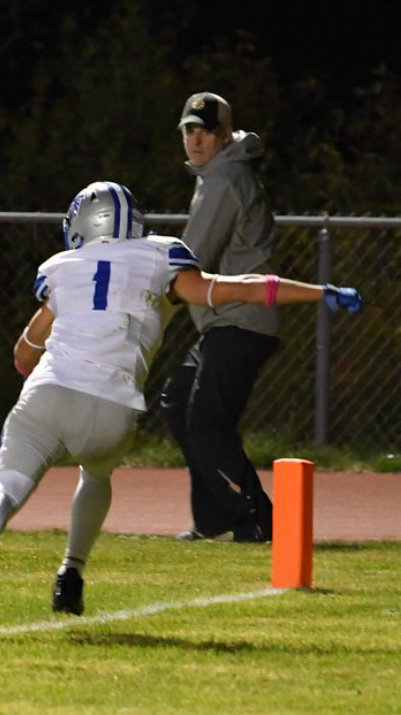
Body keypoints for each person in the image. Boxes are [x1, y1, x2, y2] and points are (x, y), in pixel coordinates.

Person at [0, 181, 362, 638]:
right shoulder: (161, 255)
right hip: (113, 409)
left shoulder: (61, 268)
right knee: (95, 474)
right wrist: (319, 292)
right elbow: (241, 289)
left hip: (50, 392)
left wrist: (31, 355)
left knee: (6, 489)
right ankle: (70, 573)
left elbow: (24, 352)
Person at [159, 92, 280, 543]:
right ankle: (214, 518)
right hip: (224, 321)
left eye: (205, 130)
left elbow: (193, 255)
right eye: (189, 129)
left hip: (242, 321)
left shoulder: (226, 177)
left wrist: (148, 284)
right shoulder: (217, 173)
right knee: (178, 403)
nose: (195, 138)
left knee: (207, 421)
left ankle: (260, 520)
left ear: (224, 134)